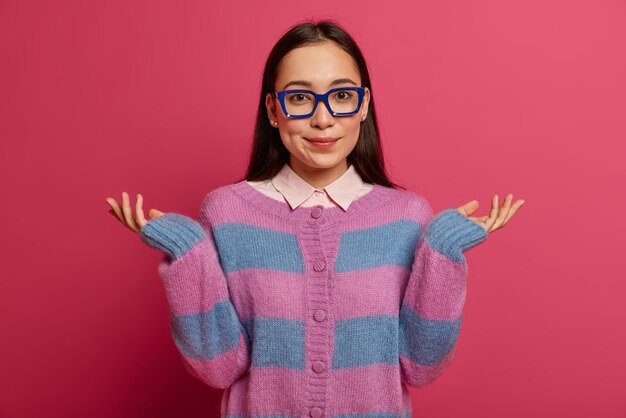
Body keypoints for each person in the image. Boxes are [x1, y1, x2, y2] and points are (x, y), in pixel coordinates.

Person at [105, 19, 524, 418]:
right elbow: (218, 368)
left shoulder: (406, 217)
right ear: (273, 110)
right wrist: (189, 255)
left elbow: (421, 365)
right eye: (300, 97)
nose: (323, 119)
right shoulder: (227, 213)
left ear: (363, 106)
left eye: (342, 96)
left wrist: (441, 252)